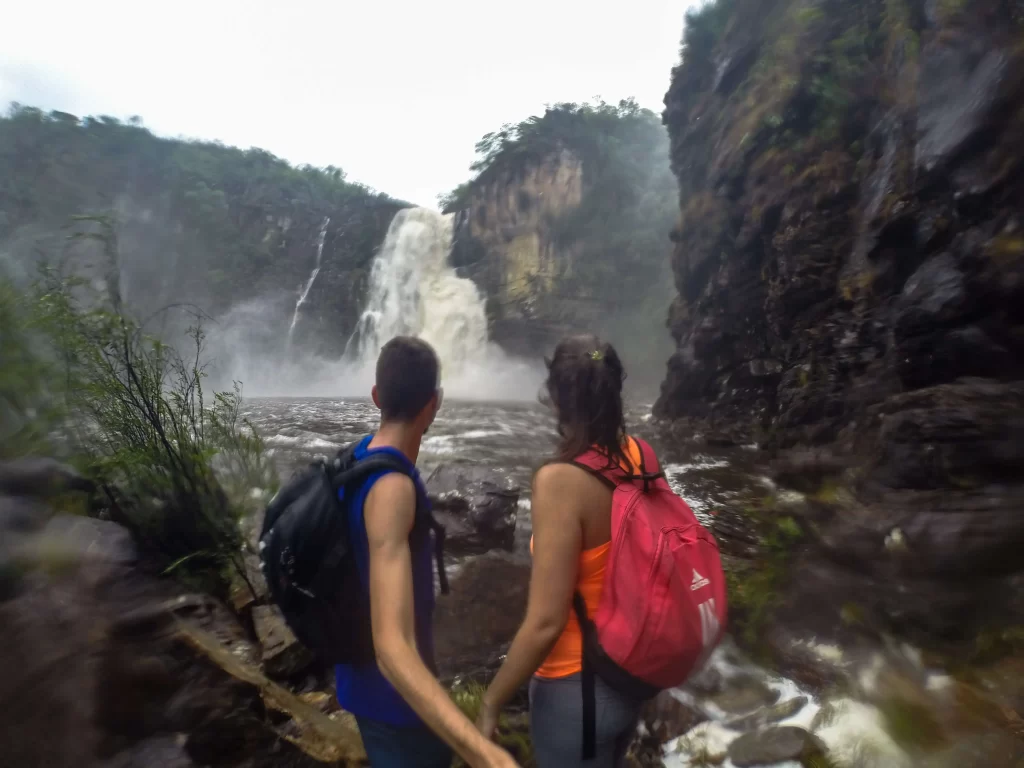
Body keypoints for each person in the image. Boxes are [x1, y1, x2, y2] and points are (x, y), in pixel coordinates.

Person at [335, 336, 519, 768]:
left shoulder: (358, 457)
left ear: (377, 395)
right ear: (435, 402)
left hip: (358, 681)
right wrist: (484, 753)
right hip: (395, 703)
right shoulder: (392, 488)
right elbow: (393, 647)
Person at [476, 334, 645, 768]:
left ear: (554, 397)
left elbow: (546, 623)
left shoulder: (558, 483)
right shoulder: (639, 455)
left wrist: (492, 701)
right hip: (629, 677)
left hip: (577, 691)